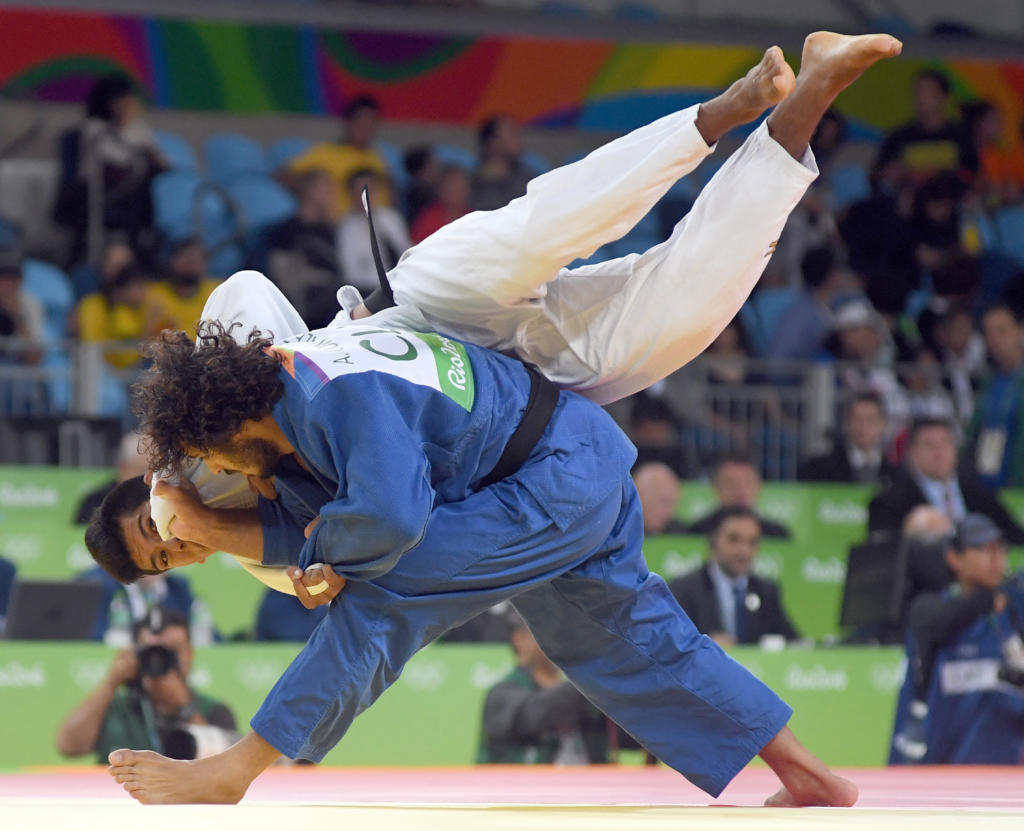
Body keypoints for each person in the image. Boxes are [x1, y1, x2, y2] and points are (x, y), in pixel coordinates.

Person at [102, 32, 902, 806]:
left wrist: (187, 488)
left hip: (443, 334)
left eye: (162, 520)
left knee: (395, 578)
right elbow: (322, 522)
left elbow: (374, 520)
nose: (184, 527)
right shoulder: (279, 438)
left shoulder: (284, 387)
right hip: (542, 432)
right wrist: (244, 532)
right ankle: (807, 771)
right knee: (623, 616)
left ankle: (239, 767)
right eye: (168, 553)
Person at [889, 514, 1024, 765]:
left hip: (1008, 767)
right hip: (945, 767)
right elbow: (941, 622)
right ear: (954, 557)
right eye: (984, 549)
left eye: (1001, 550)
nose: (996, 559)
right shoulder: (930, 610)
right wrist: (988, 598)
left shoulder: (1014, 612)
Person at [56, 606, 236, 764]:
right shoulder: (115, 708)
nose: (160, 660)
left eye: (171, 651)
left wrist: (184, 708)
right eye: (151, 652)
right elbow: (69, 746)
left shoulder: (214, 711)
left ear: (189, 654)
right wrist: (111, 683)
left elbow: (224, 765)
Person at [478, 610, 609, 764]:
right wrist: (592, 680)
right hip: (524, 786)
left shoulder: (588, 694)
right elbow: (530, 716)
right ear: (519, 638)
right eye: (548, 630)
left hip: (589, 785)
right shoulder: (502, 692)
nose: (561, 639)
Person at [868, 418, 1024, 543]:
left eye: (945, 443)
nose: (939, 452)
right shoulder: (889, 502)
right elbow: (883, 554)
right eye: (929, 445)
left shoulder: (979, 493)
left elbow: (1013, 535)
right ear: (912, 453)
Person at [669, 508, 799, 648]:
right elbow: (672, 643)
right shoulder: (684, 590)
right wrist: (702, 646)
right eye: (733, 539)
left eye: (752, 542)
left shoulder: (766, 591)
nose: (743, 550)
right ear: (713, 542)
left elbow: (793, 643)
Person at [284, 95, 390, 214]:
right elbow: (285, 176)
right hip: (332, 225)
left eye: (371, 124)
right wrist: (311, 191)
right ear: (348, 123)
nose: (366, 128)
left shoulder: (377, 159)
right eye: (361, 122)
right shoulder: (326, 152)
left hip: (372, 226)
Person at [967, 304, 1024, 488]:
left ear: (1020, 331)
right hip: (987, 480)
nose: (994, 339)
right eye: (988, 332)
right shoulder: (988, 381)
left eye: (1001, 330)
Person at [336, 169, 410, 297]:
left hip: (403, 285)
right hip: (371, 292)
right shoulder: (347, 227)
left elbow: (406, 251)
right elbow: (351, 273)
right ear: (351, 195)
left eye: (369, 190)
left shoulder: (392, 218)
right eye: (358, 191)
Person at [799, 391, 896, 483]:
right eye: (857, 419)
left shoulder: (896, 475)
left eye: (870, 420)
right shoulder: (818, 469)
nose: (863, 427)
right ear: (847, 422)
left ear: (882, 424)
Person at [687, 456, 793, 539]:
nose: (740, 490)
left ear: (759, 486)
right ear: (716, 488)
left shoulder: (777, 534)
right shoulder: (697, 532)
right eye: (731, 483)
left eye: (747, 483)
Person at [144, 238, 220, 336]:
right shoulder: (153, 294)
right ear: (172, 260)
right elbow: (143, 341)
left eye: (195, 259)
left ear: (206, 264)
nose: (190, 263)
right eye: (185, 257)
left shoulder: (216, 293)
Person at [469, 114, 532, 212]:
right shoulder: (472, 184)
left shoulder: (529, 178)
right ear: (493, 142)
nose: (519, 139)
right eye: (512, 133)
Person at [632, 461, 688, 535]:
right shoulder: (614, 528)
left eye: (673, 504)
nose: (670, 512)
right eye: (664, 502)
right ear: (640, 495)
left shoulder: (679, 533)